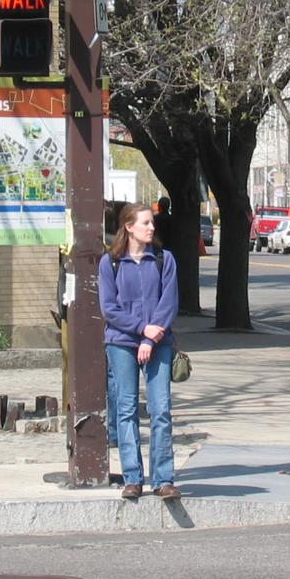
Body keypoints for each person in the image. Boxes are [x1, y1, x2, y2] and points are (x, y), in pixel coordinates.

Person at [100, 205, 181, 501]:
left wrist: (150, 337)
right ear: (129, 227)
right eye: (145, 223)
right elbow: (109, 308)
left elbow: (169, 302)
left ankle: (163, 479)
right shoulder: (110, 262)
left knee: (161, 410)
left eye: (152, 222)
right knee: (126, 410)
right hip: (121, 342)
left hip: (158, 343)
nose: (151, 227)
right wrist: (140, 328)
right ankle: (132, 478)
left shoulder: (163, 259)